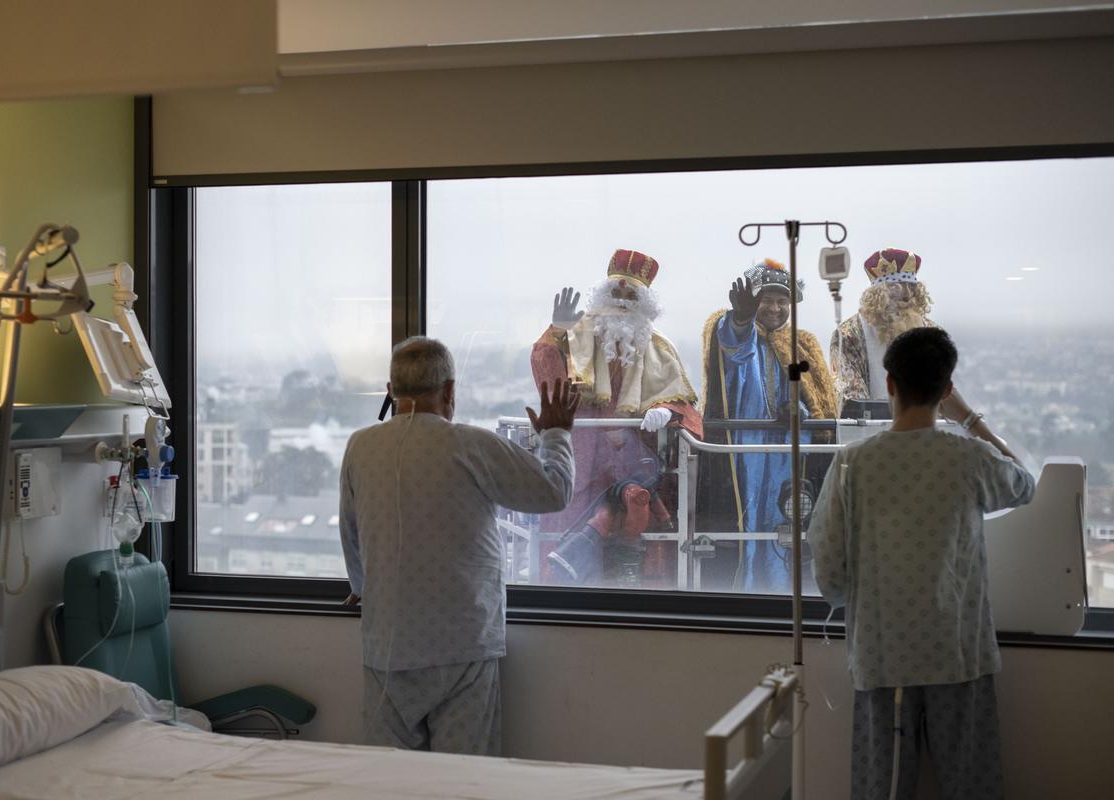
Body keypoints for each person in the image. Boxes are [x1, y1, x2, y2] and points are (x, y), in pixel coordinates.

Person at [807, 327, 1035, 800]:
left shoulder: (853, 463)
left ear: (889, 383)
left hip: (882, 654)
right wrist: (971, 420)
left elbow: (828, 564)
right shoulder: (969, 457)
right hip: (957, 651)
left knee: (882, 789)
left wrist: (855, 599)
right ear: (947, 390)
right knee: (971, 785)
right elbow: (1024, 485)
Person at [339, 337, 578, 755]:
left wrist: (363, 588)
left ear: (391, 391)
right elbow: (552, 492)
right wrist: (555, 434)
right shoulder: (470, 445)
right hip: (461, 646)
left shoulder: (359, 447)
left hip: (387, 646)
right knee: (464, 780)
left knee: (386, 784)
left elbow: (351, 534)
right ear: (450, 391)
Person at [530, 248, 701, 586]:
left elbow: (688, 409)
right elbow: (548, 384)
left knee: (637, 538)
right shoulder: (573, 338)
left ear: (644, 304)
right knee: (572, 533)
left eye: (631, 295)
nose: (622, 301)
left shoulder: (660, 348)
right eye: (616, 293)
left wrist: (665, 411)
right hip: (584, 457)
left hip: (637, 458)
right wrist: (556, 333)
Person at [696, 259, 837, 592]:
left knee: (786, 521)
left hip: (792, 449)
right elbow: (732, 349)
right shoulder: (732, 327)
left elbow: (816, 397)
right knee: (749, 517)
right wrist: (742, 319)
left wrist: (798, 407)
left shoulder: (802, 344)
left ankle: (785, 591)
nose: (774, 308)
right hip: (743, 448)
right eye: (766, 300)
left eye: (782, 302)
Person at [831, 247, 935, 403]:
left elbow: (939, 390)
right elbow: (851, 398)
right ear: (877, 295)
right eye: (893, 289)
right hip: (871, 426)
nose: (901, 298)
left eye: (908, 290)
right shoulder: (848, 334)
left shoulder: (932, 334)